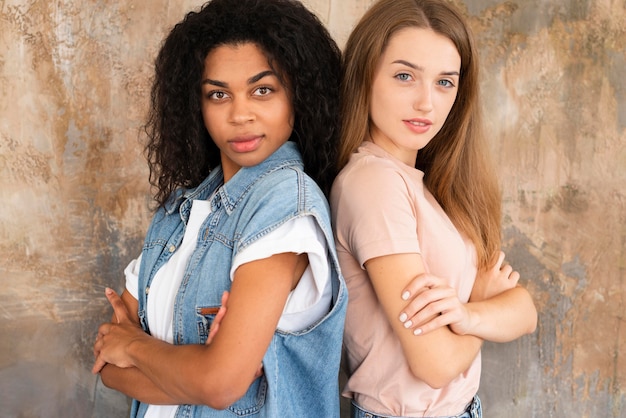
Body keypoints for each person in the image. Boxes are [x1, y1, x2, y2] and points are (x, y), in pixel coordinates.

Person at [91, 0, 347, 417]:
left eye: (263, 90)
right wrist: (194, 373)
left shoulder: (285, 203)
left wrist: (135, 346)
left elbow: (221, 383)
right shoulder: (179, 212)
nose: (240, 114)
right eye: (218, 94)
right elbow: (107, 367)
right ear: (198, 105)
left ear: (297, 95)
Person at [330, 0, 538, 417]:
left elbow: (525, 311)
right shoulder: (375, 184)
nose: (427, 102)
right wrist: (479, 305)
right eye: (405, 76)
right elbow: (435, 363)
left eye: (445, 82)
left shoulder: (427, 184)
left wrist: (465, 313)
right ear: (365, 77)